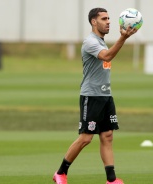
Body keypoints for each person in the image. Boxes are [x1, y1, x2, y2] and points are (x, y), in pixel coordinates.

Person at [53, 7, 138, 184]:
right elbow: (107, 56)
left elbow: (107, 54)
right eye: (104, 19)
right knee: (86, 138)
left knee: (107, 136)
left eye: (109, 19)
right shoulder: (90, 42)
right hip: (91, 96)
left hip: (106, 96)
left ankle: (111, 180)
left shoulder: (101, 41)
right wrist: (123, 38)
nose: (108, 22)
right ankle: (60, 173)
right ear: (94, 22)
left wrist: (122, 38)